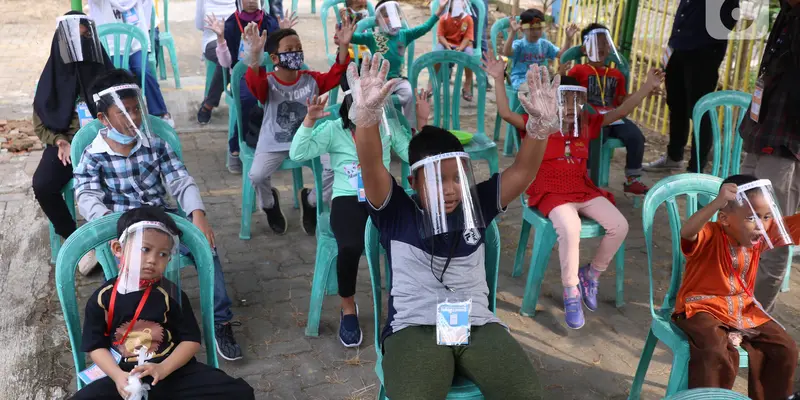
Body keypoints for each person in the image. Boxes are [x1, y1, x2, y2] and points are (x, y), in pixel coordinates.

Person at [352, 52, 557, 399]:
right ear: (414, 182)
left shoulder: (474, 205)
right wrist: (367, 117)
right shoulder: (397, 212)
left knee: (527, 394)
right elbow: (371, 165)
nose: (449, 190)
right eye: (436, 180)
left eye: (456, 178)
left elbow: (522, 172)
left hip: (476, 323)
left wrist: (539, 128)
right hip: (414, 327)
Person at [73, 69, 244, 362]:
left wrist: (198, 215)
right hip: (121, 226)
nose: (133, 118)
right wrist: (111, 225)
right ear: (103, 119)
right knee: (130, 275)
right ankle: (136, 328)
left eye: (136, 109)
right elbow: (86, 195)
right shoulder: (94, 154)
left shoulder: (154, 144)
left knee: (207, 248)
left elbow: (180, 180)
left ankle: (220, 320)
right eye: (122, 112)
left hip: (161, 218)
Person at [488, 47, 663, 328]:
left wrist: (646, 87)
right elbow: (507, 113)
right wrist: (498, 79)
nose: (570, 109)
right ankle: (571, 290)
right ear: (552, 104)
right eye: (563, 102)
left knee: (620, 225)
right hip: (551, 191)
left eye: (575, 102)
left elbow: (620, 111)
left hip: (582, 189)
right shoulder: (539, 123)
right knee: (570, 228)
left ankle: (590, 275)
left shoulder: (586, 123)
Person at [289, 75, 430, 347]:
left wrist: (421, 123)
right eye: (364, 107)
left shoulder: (386, 126)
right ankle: (348, 307)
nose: (369, 114)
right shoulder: (334, 129)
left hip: (383, 192)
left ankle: (405, 304)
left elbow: (414, 154)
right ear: (351, 107)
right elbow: (298, 153)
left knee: (410, 239)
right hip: (347, 196)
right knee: (350, 245)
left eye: (375, 107)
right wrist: (310, 120)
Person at [71, 206, 255, 399]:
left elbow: (190, 341)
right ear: (118, 249)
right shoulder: (102, 298)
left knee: (238, 393)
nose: (152, 260)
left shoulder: (172, 294)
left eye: (163, 254)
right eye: (145, 249)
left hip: (170, 371)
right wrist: (117, 377)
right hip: (122, 374)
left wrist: (163, 368)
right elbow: (95, 347)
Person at [674, 174, 800, 400]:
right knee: (715, 351)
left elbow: (792, 227)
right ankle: (710, 398)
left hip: (743, 309)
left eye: (767, 216)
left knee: (786, 348)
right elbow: (687, 232)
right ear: (724, 218)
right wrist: (716, 203)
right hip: (702, 307)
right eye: (752, 217)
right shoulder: (711, 234)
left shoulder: (760, 234)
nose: (761, 226)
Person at [243, 23, 352, 236]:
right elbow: (254, 84)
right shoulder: (268, 83)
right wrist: (254, 56)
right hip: (273, 142)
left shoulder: (311, 79)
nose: (296, 53)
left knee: (336, 166)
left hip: (308, 139)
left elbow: (336, 73)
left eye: (298, 48)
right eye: (289, 50)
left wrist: (343, 47)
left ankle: (312, 201)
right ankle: (269, 204)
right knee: (256, 175)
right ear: (274, 58)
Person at [32, 12, 114, 275]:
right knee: (43, 185)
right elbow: (40, 123)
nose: (80, 47)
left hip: (106, 144)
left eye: (85, 37)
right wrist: (58, 140)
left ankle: (116, 239)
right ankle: (76, 242)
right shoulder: (51, 76)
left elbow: (127, 110)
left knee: (118, 181)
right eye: (72, 39)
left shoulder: (105, 71)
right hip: (65, 146)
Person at [738, 0, 800, 312]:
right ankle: (731, 303)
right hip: (762, 133)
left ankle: (755, 316)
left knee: (772, 237)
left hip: (788, 146)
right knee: (740, 225)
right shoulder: (787, 14)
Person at [642, 0, 739, 172]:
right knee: (676, 104)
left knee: (701, 110)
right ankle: (674, 156)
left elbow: (729, 17)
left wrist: (706, 42)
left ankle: (696, 168)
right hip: (679, 47)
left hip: (703, 52)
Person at [215, 0, 296, 173]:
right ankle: (239, 143)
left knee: (288, 93)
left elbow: (282, 56)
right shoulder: (230, 24)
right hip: (241, 76)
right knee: (248, 96)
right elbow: (225, 62)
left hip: (269, 73)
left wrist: (285, 33)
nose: (251, 1)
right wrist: (220, 39)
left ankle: (281, 143)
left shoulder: (270, 22)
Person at [567, 23, 650, 195]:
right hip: (590, 119)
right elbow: (569, 94)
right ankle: (587, 178)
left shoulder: (616, 74)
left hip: (614, 117)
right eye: (596, 43)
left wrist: (645, 92)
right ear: (585, 48)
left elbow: (621, 100)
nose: (602, 47)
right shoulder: (578, 70)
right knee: (595, 139)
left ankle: (632, 179)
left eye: (605, 43)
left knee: (636, 137)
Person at [350, 0, 450, 129]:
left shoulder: (404, 35)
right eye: (386, 16)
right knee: (371, 99)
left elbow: (424, 28)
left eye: (394, 14)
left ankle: (410, 129)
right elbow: (353, 38)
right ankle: (377, 130)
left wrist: (438, 13)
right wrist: (347, 29)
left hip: (397, 79)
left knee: (409, 94)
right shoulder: (373, 37)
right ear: (378, 21)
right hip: (378, 80)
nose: (391, 18)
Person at [88, 0, 174, 127]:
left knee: (143, 71)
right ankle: (125, 114)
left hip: (136, 43)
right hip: (112, 45)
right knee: (123, 74)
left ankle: (160, 112)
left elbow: (146, 16)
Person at [503, 8, 577, 90]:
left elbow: (562, 55)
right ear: (522, 29)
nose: (536, 32)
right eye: (531, 29)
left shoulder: (545, 44)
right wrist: (513, 32)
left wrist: (568, 39)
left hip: (540, 83)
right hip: (521, 81)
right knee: (534, 91)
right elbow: (506, 52)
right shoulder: (519, 45)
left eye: (539, 28)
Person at [195, 0, 236, 125]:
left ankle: (208, 104)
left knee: (231, 55)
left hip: (236, 39)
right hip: (212, 39)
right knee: (227, 57)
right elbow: (200, 25)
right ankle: (209, 104)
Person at [434, 0, 475, 101]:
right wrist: (446, 45)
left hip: (463, 45)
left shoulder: (468, 19)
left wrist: (460, 48)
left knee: (469, 55)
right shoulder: (444, 18)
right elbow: (440, 36)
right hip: (446, 43)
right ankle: (433, 81)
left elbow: (467, 38)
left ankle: (467, 83)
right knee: (437, 53)